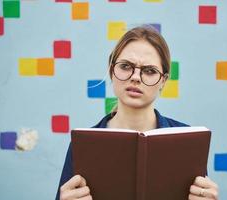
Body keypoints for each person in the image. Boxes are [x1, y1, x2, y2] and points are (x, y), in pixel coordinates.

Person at [56, 25, 218, 200]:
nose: (135, 77)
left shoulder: (189, 142)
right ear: (112, 71)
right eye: (125, 66)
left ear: (163, 81)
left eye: (149, 71)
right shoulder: (82, 145)